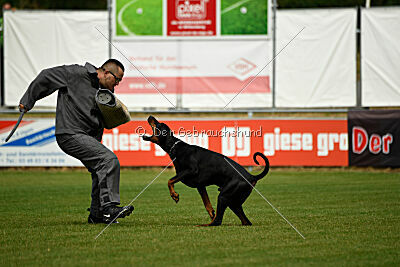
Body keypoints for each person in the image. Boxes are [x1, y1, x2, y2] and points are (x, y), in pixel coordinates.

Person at [19, 59, 134, 224]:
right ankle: (109, 209)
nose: (117, 84)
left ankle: (97, 215)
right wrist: (27, 101)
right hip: (70, 133)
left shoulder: (102, 91)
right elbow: (46, 76)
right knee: (108, 160)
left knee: (99, 169)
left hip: (85, 137)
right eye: (117, 80)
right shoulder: (75, 73)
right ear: (107, 73)